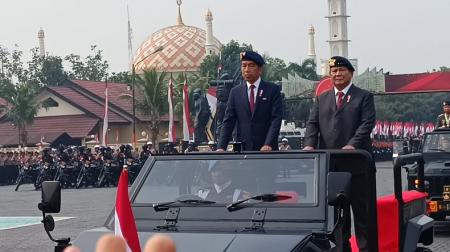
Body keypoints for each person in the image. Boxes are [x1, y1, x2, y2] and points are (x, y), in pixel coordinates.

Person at [303, 56, 376, 252]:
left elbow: (366, 124)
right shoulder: (322, 98)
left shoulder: (364, 96)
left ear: (351, 73)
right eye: (334, 71)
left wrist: (353, 145)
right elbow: (312, 124)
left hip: (358, 166)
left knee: (363, 216)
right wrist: (309, 144)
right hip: (332, 168)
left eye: (342, 70)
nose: (337, 74)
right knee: (337, 219)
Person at [217, 51, 282, 151]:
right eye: (244, 66)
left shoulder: (272, 90)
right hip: (243, 151)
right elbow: (228, 122)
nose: (246, 70)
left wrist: (268, 144)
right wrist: (221, 147)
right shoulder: (235, 92)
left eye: (251, 66)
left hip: (267, 151)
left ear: (260, 69)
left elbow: (276, 120)